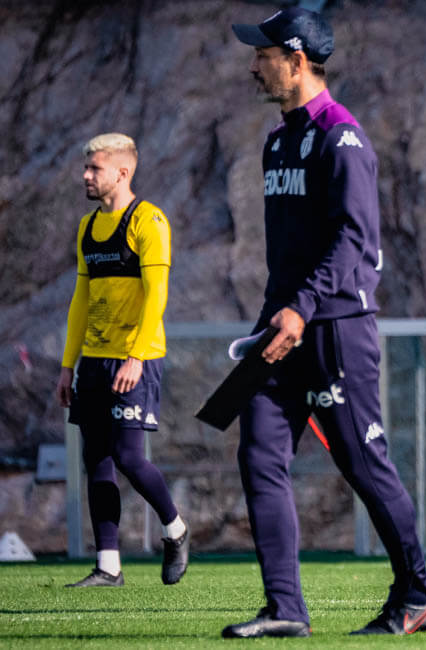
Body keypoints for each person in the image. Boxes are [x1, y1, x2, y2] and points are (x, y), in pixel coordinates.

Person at [224, 7, 426, 638]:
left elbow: (354, 240)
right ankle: (285, 608)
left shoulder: (342, 137)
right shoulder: (277, 141)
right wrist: (273, 318)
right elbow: (288, 253)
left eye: (264, 54)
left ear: (296, 61)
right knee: (258, 455)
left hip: (336, 327)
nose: (254, 65)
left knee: (362, 461)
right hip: (282, 329)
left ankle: (417, 594)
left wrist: (303, 307)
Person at [55, 132, 190, 588]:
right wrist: (68, 365)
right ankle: (108, 566)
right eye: (86, 167)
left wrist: (135, 357)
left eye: (94, 168)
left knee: (129, 457)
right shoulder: (87, 227)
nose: (86, 176)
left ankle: (176, 529)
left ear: (122, 171)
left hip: (135, 359)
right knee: (96, 458)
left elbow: (157, 295)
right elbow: (81, 299)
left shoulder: (149, 221)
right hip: (94, 361)